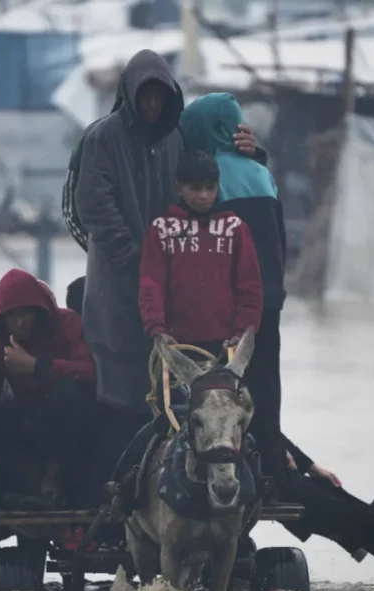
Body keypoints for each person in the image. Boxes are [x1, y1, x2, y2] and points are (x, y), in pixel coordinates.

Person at [74, 49, 263, 496]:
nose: (153, 105)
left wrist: (255, 153)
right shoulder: (103, 137)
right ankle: (113, 494)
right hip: (115, 288)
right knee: (119, 396)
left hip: (169, 294)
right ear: (130, 95)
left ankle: (172, 488)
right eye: (146, 97)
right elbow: (91, 204)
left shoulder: (176, 139)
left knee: (173, 400)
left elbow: (210, 174)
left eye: (160, 97)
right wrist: (135, 255)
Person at [179, 92, 290, 487]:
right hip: (270, 303)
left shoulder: (206, 183)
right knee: (264, 391)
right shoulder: (262, 173)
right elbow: (280, 241)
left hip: (228, 308)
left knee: (221, 393)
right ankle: (272, 471)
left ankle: (226, 473)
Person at [0, 269, 97, 529]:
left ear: (40, 311)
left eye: (26, 313)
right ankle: (30, 483)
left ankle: (53, 479)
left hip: (70, 425)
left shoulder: (67, 323)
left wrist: (38, 367)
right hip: (28, 420)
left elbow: (89, 372)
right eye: (12, 315)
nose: (20, 322)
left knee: (68, 392)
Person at [139, 149, 262, 358]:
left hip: (225, 345)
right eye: (195, 189)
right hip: (174, 345)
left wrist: (242, 332)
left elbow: (250, 287)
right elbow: (151, 285)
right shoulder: (161, 229)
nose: (204, 196)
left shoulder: (235, 228)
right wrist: (157, 329)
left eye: (210, 188)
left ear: (218, 187)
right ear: (179, 188)